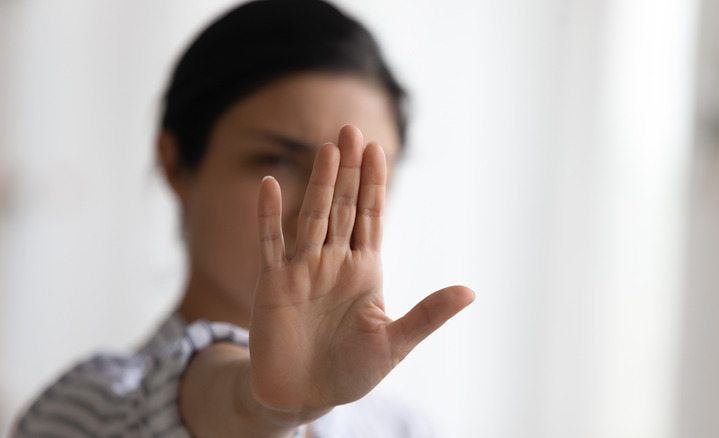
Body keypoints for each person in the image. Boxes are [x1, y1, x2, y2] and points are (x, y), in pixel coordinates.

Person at [12, 1, 475, 437]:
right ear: (176, 165)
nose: (325, 206)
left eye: (360, 176)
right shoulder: (80, 411)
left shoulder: (405, 428)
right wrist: (265, 406)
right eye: (277, 158)